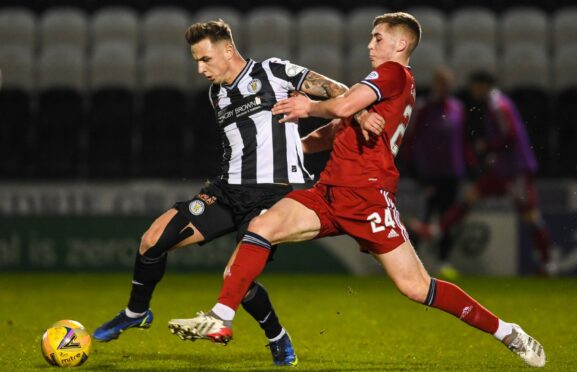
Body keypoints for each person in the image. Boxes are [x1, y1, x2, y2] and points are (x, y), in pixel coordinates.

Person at [167, 13, 546, 368]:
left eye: (378, 37)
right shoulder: (381, 87)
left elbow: (343, 104)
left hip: (368, 198)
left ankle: (507, 332)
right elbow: (335, 130)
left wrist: (309, 106)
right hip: (328, 192)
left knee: (416, 288)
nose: (370, 43)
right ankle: (221, 319)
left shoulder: (394, 74)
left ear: (399, 44)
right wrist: (290, 148)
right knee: (260, 228)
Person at [93, 19, 369, 367]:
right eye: (196, 60)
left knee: (236, 275)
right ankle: (136, 312)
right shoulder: (217, 94)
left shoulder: (275, 72)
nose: (200, 69)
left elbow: (337, 90)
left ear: (227, 50)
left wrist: (357, 115)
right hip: (227, 190)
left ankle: (277, 337)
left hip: (277, 195)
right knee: (151, 240)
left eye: (205, 59)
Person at [412, 71, 555, 276]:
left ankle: (548, 263)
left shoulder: (498, 105)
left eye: (474, 86)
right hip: (502, 169)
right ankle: (436, 230)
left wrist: (487, 146)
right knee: (471, 195)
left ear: (483, 85)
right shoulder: (494, 104)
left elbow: (510, 135)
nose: (472, 91)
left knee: (530, 214)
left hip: (515, 170)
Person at [400, 67, 467, 279]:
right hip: (428, 173)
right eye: (441, 82)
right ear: (435, 84)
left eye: (448, 83)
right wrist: (415, 172)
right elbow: (410, 140)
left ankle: (443, 262)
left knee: (448, 219)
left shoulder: (458, 108)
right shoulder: (424, 109)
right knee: (423, 217)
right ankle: (411, 265)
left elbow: (463, 141)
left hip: (452, 173)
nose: (445, 87)